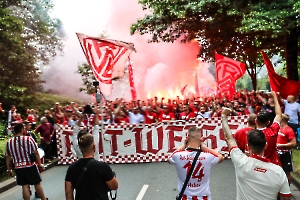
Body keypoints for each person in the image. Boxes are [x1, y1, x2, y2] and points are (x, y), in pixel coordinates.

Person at [221, 108, 291, 200]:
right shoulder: (279, 172)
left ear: (248, 146)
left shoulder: (241, 162)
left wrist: (224, 117)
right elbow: (285, 197)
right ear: (265, 145)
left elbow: (229, 138)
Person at [168, 127, 224, 200]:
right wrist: (205, 148)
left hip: (185, 197)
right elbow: (221, 157)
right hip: (204, 198)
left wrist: (183, 146)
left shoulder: (178, 155)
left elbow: (169, 158)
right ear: (201, 139)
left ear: (187, 138)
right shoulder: (208, 156)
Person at [65, 133, 118, 200]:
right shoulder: (103, 167)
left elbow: (68, 193)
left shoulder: (72, 168)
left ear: (80, 148)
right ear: (94, 146)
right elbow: (114, 186)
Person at [5, 123, 48, 200]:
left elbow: (8, 156)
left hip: (18, 167)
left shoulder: (9, 142)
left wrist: (9, 168)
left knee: (24, 186)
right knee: (37, 183)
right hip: (30, 165)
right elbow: (36, 152)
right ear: (22, 130)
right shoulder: (29, 139)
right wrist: (40, 163)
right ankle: (44, 199)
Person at [255, 91, 282, 166]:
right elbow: (279, 114)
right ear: (268, 122)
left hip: (258, 165)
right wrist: (275, 97)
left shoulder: (251, 134)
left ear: (255, 121)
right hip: (273, 164)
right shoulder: (273, 131)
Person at [277, 114, 297, 184]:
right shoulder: (279, 128)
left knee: (287, 172)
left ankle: (287, 189)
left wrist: (281, 145)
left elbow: (294, 143)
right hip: (277, 153)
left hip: (286, 154)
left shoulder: (289, 130)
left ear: (282, 119)